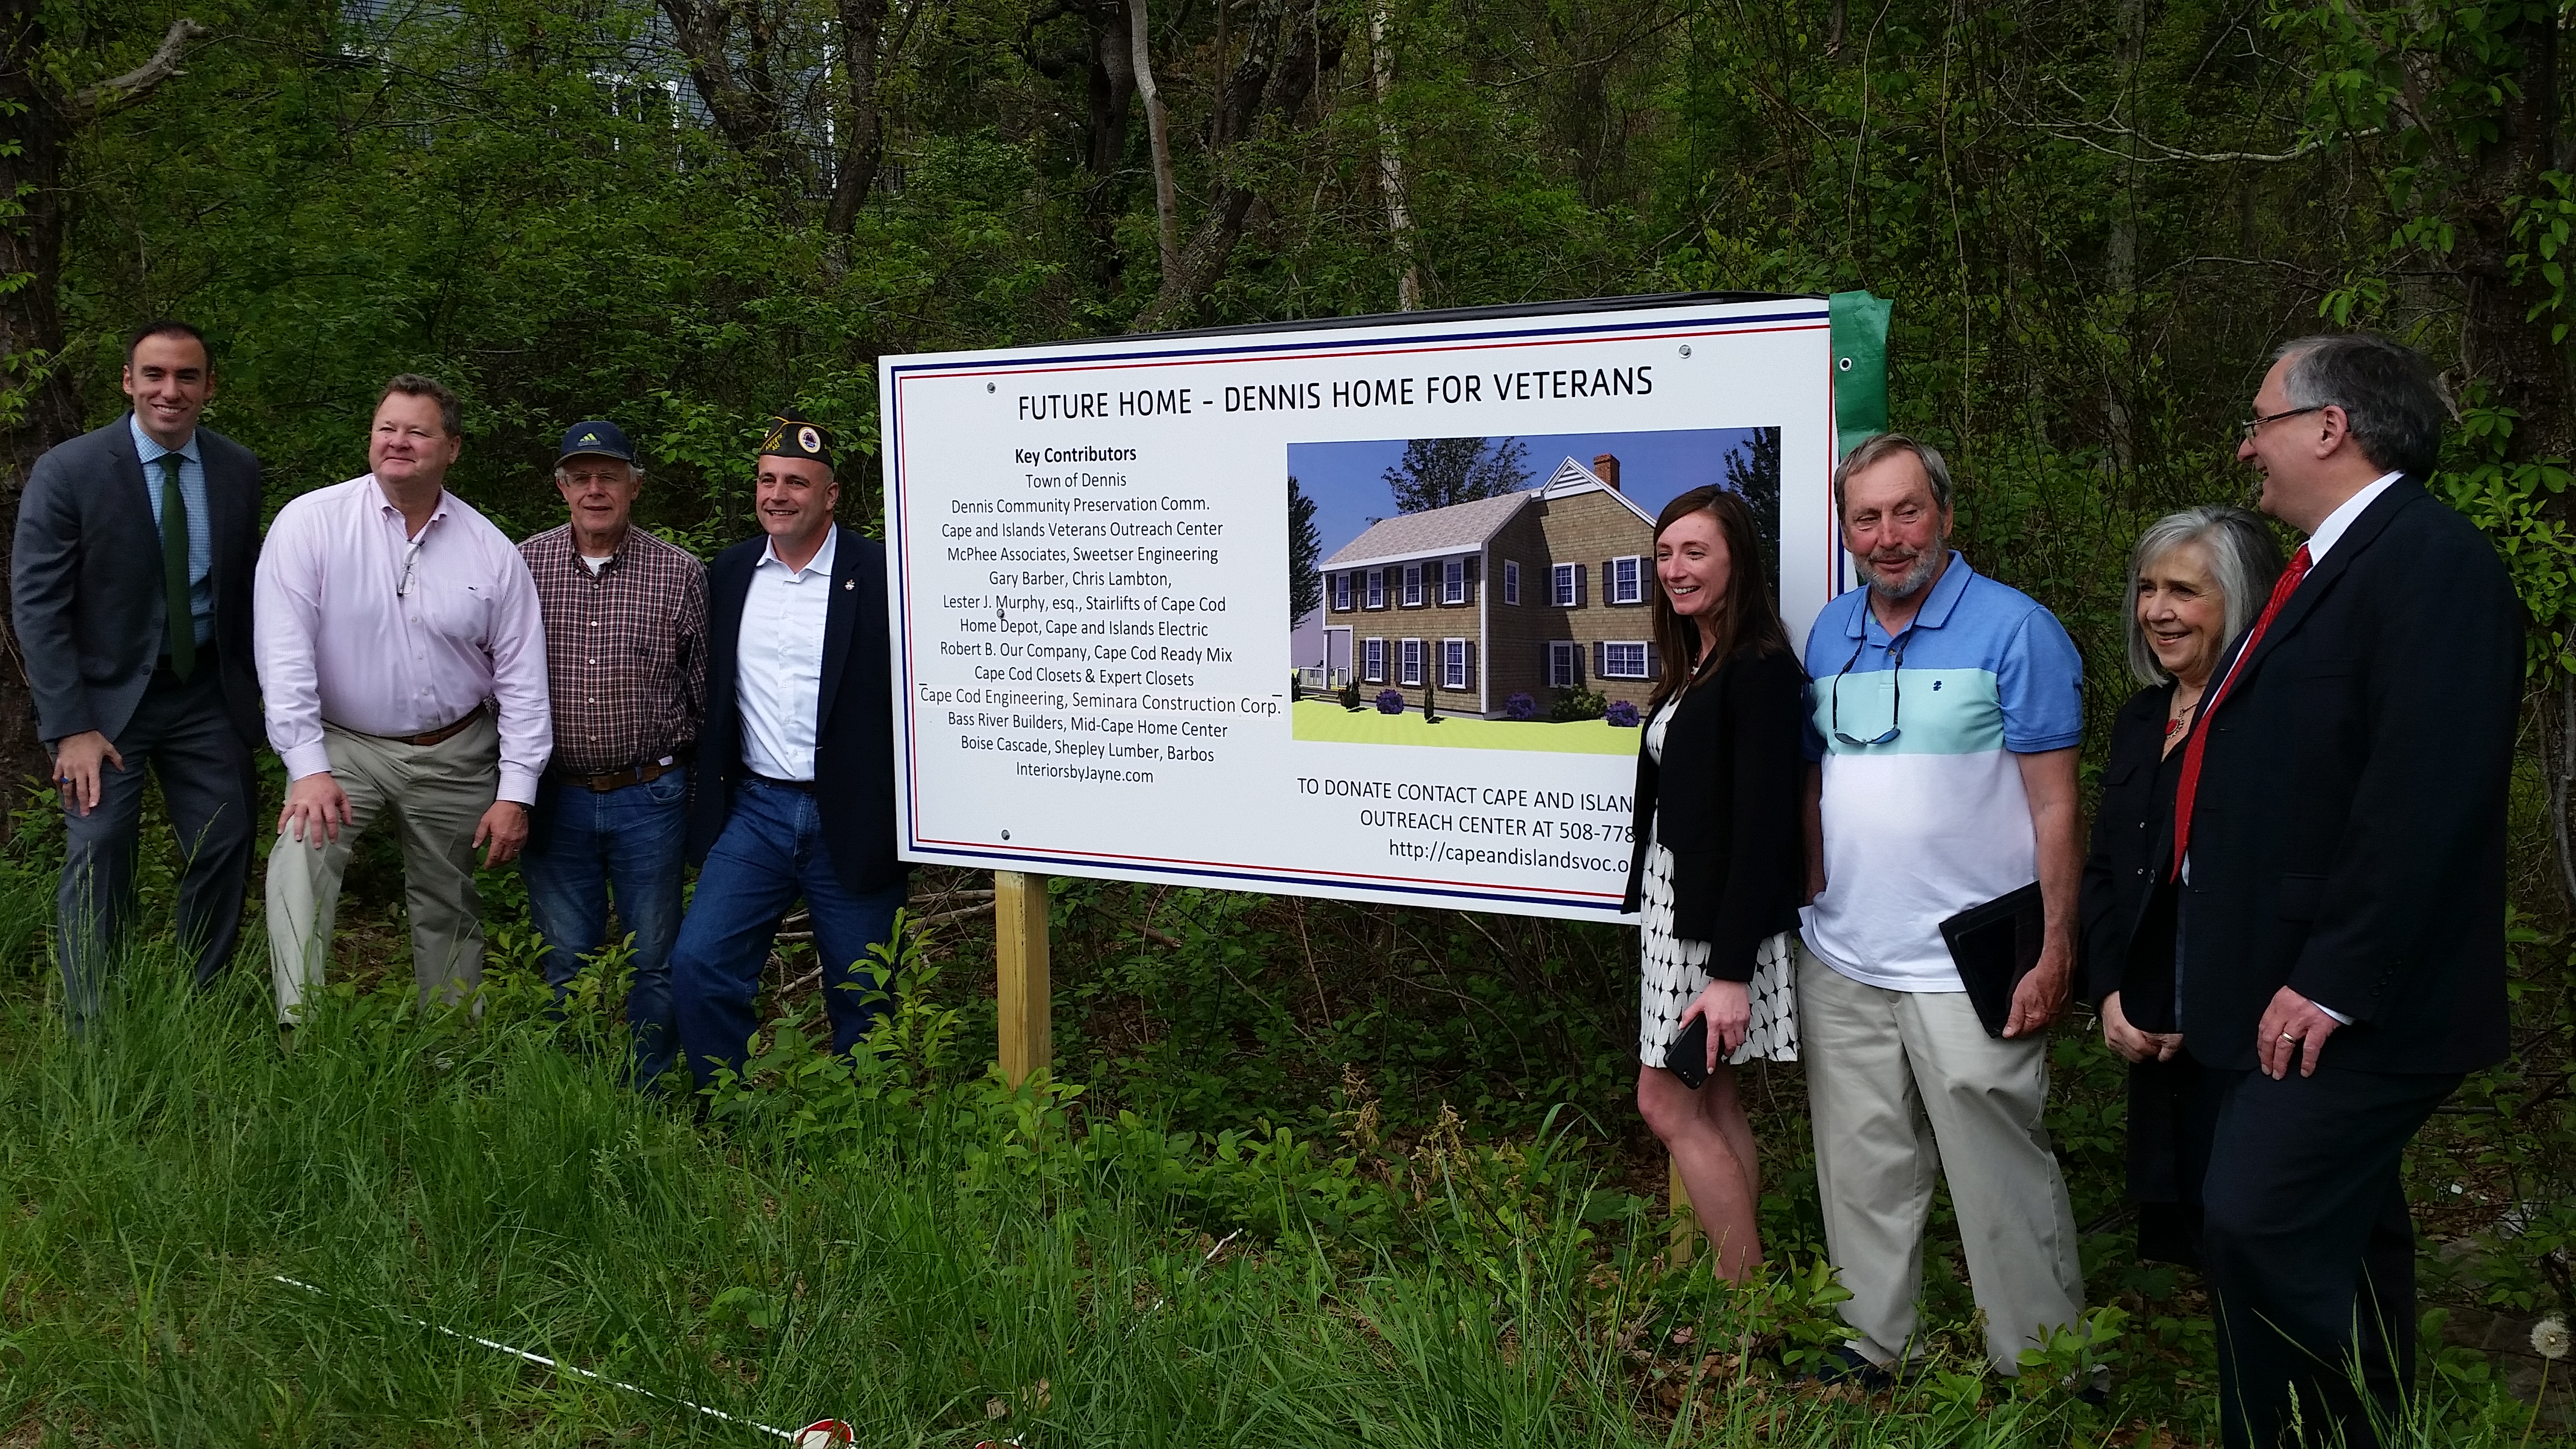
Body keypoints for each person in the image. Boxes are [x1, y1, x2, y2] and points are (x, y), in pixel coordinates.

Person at [2181, 334, 2518, 1449]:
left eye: (2260, 421)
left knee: (2256, 1220)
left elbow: (2423, 797)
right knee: (2343, 1239)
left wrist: (2331, 980)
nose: (2246, 447)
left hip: (2358, 1002)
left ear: (2330, 427)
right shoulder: (2328, 568)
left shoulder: (2432, 564)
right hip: (2281, 982)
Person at [1796, 432, 2089, 1386]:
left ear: (1946, 516)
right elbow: (1821, 782)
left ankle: (2043, 1366)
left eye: (1906, 510)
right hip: (1843, 954)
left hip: (1969, 963)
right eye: (1866, 517)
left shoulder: (2018, 631)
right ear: (1846, 530)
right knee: (1862, 1167)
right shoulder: (1829, 631)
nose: (1887, 536)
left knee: (2001, 1172)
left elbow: (2055, 806)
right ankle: (1876, 1346)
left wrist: (2054, 951)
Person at [256, 374, 552, 1023]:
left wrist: (515, 792)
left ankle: (452, 1046)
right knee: (300, 861)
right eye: (387, 428)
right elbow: (284, 656)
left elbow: (524, 681)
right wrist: (307, 769)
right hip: (343, 746)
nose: (398, 442)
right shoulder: (311, 524)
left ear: (452, 448)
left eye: (418, 431)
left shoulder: (491, 551)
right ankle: (298, 1030)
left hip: (454, 748)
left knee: (450, 901)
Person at [12, 320, 264, 1028]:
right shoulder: (70, 471)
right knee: (99, 849)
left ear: (209, 387)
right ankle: (94, 1029)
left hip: (205, 695)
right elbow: (39, 608)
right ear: (128, 381)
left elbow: (246, 589)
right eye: (154, 374)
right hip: (102, 706)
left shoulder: (237, 468)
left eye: (187, 376)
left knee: (225, 838)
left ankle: (198, 1008)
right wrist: (71, 729)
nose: (169, 390)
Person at [670, 417, 904, 1084]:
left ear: (830, 496)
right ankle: (728, 1105)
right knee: (700, 962)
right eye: (768, 480)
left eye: (797, 482)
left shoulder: (883, 572)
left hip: (854, 814)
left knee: (864, 990)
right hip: (757, 811)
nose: (778, 494)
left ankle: (863, 1127)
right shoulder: (732, 571)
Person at [2077, 506, 2281, 1268]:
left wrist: (2213, 1003)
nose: (2159, 611)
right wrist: (2108, 996)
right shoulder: (2141, 719)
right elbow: (2105, 869)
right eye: (2148, 588)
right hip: (2151, 1029)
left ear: (2243, 599)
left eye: (2186, 593)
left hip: (2241, 1037)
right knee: (2190, 1236)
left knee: (2256, 1232)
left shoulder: (2268, 723)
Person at [1623, 485, 1806, 1283]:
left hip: (1714, 929)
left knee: (1664, 1103)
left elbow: (1764, 830)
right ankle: (1741, 1294)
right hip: (1681, 911)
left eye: (1695, 552)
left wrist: (1730, 973)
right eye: (1665, 553)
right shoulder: (1699, 659)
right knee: (1714, 1099)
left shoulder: (1758, 669)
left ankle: (1743, 1302)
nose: (1675, 568)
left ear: (1739, 561)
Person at [517, 419, 708, 1084]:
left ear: (635, 485)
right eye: (581, 477)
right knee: (565, 954)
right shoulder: (522, 565)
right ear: (562, 487)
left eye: (609, 476)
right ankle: (574, 1092)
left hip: (650, 797)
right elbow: (492, 682)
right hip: (555, 796)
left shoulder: (680, 573)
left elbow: (704, 691)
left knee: (655, 957)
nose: (595, 489)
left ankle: (648, 1089)